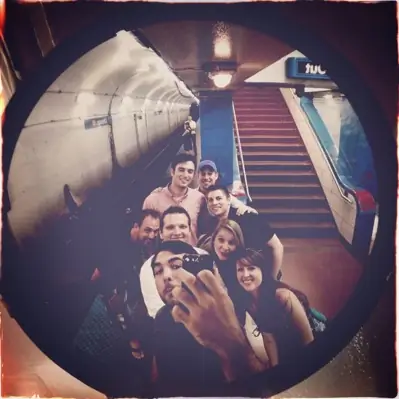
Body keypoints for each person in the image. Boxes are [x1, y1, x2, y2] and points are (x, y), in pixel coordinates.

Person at [150, 240, 268, 396]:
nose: (166, 276)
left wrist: (231, 344)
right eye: (158, 271)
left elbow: (261, 389)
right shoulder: (161, 317)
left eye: (175, 266)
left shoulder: (225, 310)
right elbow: (159, 375)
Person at [230, 248, 315, 366]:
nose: (245, 275)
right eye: (240, 270)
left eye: (251, 268)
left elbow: (308, 338)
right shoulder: (249, 303)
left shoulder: (283, 296)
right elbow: (268, 339)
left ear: (262, 271)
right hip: (286, 354)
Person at [204, 184, 284, 280]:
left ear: (229, 199)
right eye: (210, 200)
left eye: (218, 198)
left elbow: (277, 246)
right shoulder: (212, 223)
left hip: (261, 274)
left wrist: (272, 280)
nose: (214, 203)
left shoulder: (248, 217)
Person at [140, 206, 207, 318]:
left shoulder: (204, 256)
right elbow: (156, 310)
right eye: (170, 227)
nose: (177, 232)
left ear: (190, 230)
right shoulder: (148, 268)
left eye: (182, 226)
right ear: (161, 233)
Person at [142, 153, 204, 246]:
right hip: (163, 256)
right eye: (181, 170)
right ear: (172, 171)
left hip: (190, 254)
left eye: (190, 171)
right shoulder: (153, 200)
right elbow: (144, 232)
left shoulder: (199, 198)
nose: (185, 175)